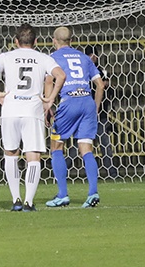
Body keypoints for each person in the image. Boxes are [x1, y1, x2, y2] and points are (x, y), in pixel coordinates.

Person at [0, 23, 65, 211]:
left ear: (16, 41)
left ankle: (16, 200)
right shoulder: (43, 58)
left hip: (10, 110)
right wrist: (50, 99)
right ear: (36, 41)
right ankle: (29, 201)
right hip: (32, 111)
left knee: (11, 153)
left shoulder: (6, 56)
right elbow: (61, 75)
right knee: (33, 155)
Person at [45, 27, 105, 208]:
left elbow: (49, 81)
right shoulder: (84, 57)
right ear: (71, 40)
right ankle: (93, 192)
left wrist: (48, 106)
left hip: (69, 101)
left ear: (54, 40)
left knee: (56, 146)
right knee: (86, 149)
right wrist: (95, 108)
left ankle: (63, 194)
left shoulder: (53, 58)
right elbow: (100, 85)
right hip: (86, 101)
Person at [84, 45, 118, 179]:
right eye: (90, 55)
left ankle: (112, 172)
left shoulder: (100, 71)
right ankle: (65, 169)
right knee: (80, 144)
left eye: (94, 55)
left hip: (100, 114)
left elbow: (107, 88)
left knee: (105, 144)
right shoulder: (85, 71)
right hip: (87, 113)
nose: (93, 58)